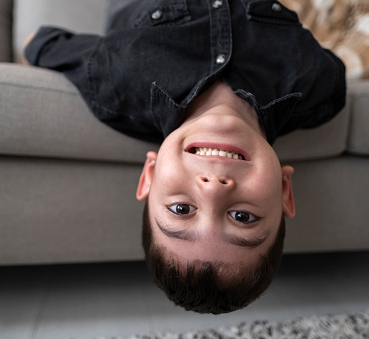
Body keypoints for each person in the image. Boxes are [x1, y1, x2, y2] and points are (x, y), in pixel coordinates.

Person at [23, 0, 346, 314]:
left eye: (181, 209)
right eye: (242, 217)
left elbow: (38, 43)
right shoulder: (319, 89)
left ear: (150, 174)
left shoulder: (115, 82)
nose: (213, 188)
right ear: (285, 191)